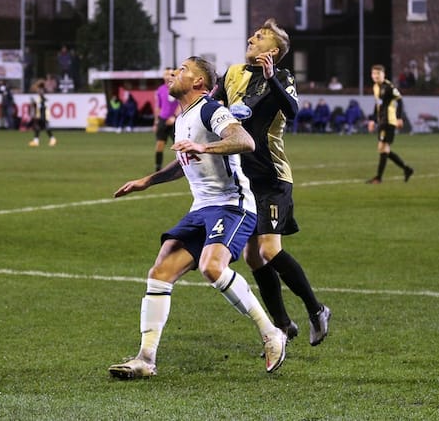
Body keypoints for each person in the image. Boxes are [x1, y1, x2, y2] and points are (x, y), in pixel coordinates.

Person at [108, 56, 288, 379]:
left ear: (198, 83)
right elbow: (184, 162)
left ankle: (272, 333)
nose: (175, 73)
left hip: (233, 205)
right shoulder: (183, 119)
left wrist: (205, 149)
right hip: (201, 208)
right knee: (160, 270)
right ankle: (145, 359)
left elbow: (243, 141)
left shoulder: (209, 109)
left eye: (183, 70)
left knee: (211, 266)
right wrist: (148, 181)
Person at [212, 19, 332, 349]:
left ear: (274, 51)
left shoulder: (282, 77)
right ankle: (282, 324)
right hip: (244, 179)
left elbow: (292, 110)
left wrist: (270, 79)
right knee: (253, 257)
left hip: (273, 177)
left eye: (260, 37)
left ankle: (317, 310)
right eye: (253, 34)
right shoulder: (233, 73)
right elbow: (211, 103)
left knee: (268, 249)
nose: (252, 38)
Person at [366, 64, 414, 183]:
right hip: (382, 120)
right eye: (374, 74)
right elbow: (378, 104)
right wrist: (373, 119)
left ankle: (378, 178)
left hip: (389, 121)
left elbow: (400, 100)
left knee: (382, 148)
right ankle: (406, 169)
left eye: (378, 73)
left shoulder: (389, 87)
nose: (376, 76)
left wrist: (399, 118)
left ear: (383, 74)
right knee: (384, 149)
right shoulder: (376, 87)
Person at [152, 68, 179, 170]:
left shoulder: (177, 88)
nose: (168, 76)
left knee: (178, 146)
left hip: (174, 121)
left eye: (170, 74)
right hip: (163, 119)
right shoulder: (160, 89)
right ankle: (158, 169)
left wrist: (174, 117)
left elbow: (181, 104)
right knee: (159, 144)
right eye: (166, 74)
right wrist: (156, 121)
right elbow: (158, 106)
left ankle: (182, 167)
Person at [27, 80, 57, 147]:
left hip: (43, 115)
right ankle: (36, 141)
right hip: (40, 115)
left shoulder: (42, 98)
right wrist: (34, 104)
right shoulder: (40, 98)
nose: (38, 91)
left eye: (39, 90)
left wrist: (41, 116)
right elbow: (37, 106)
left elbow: (43, 107)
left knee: (44, 127)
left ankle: (52, 139)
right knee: (38, 127)